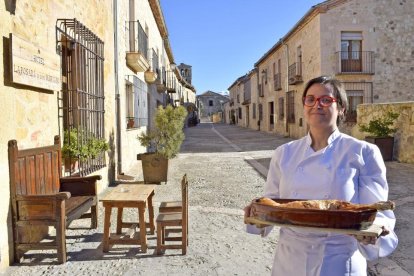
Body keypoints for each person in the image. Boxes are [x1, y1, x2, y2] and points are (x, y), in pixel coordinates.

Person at [244, 76, 398, 276]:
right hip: (290, 259)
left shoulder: (363, 151)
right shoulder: (284, 153)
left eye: (326, 100)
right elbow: (272, 204)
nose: (317, 105)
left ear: (341, 108)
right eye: (311, 99)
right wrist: (256, 216)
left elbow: (377, 211)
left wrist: (373, 234)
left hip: (338, 261)